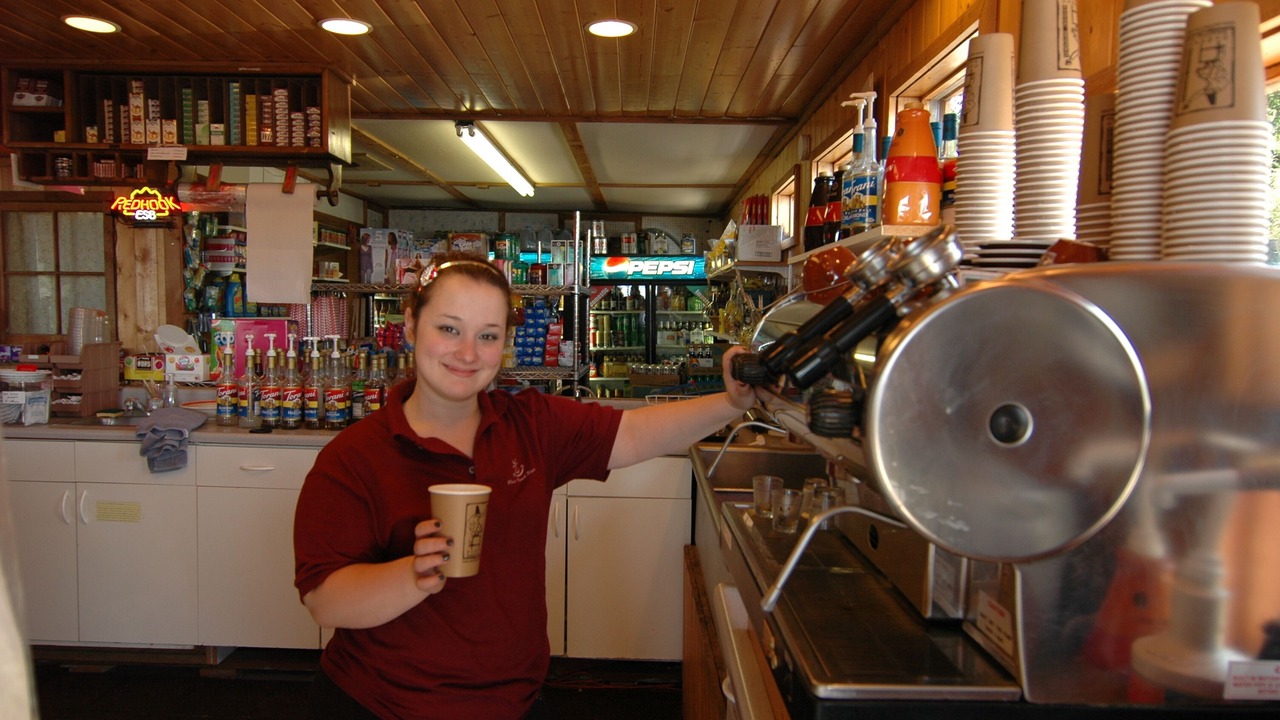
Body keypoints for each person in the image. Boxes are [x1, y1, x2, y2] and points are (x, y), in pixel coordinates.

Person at [294, 252, 757, 719]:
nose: (468, 353)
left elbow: (633, 434)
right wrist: (412, 574)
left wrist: (731, 402)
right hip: (383, 704)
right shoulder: (354, 457)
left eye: (488, 336)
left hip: (513, 702)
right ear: (412, 325)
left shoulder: (531, 424)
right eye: (449, 328)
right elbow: (325, 599)